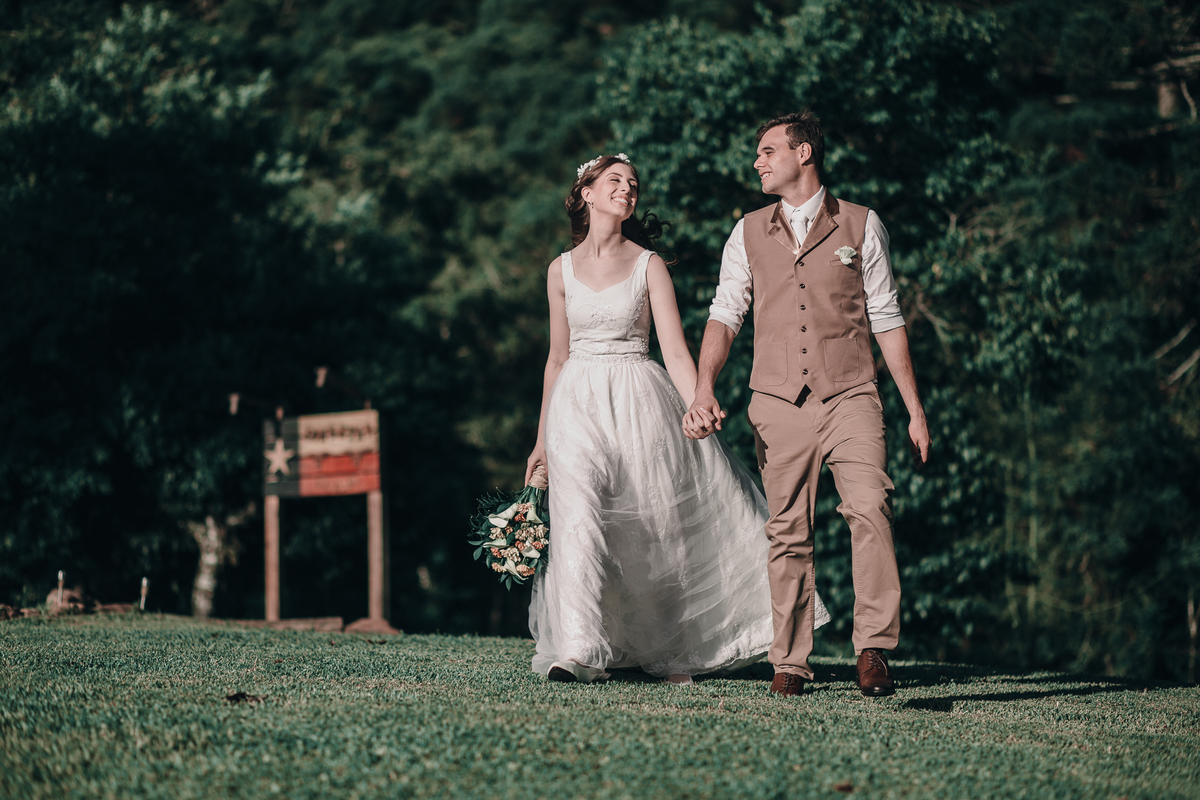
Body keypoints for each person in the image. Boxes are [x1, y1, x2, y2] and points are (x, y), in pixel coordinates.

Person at [524, 153, 829, 686]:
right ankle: (576, 651)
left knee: (651, 525)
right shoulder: (560, 270)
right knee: (577, 517)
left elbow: (675, 349)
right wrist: (540, 441)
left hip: (639, 400)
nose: (627, 189)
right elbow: (555, 358)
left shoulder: (649, 265)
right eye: (615, 181)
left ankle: (663, 645)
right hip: (575, 401)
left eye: (634, 184)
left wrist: (699, 401)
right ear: (587, 194)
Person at [683, 111, 931, 698]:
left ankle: (874, 649)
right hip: (776, 399)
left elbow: (887, 317)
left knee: (870, 507)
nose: (757, 162)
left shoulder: (862, 225)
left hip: (851, 394)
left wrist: (914, 408)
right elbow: (725, 313)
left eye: (768, 151)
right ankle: (790, 662)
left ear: (804, 153)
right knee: (787, 531)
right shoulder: (746, 231)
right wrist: (703, 386)